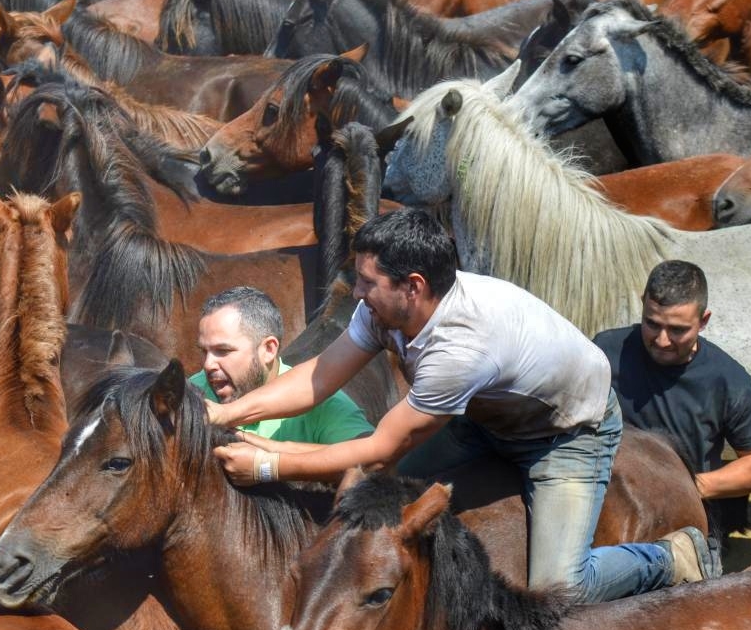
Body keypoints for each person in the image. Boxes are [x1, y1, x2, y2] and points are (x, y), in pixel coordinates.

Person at [206, 208, 718, 603]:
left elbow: (381, 447)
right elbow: (316, 377)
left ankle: (669, 559)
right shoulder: (385, 310)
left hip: (564, 435)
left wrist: (270, 463)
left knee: (559, 588)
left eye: (367, 282)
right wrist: (225, 414)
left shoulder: (461, 348)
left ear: (413, 287)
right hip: (486, 420)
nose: (357, 294)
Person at [592, 260, 751, 538]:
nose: (663, 340)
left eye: (678, 330)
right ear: (643, 304)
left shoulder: (727, 380)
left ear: (703, 321)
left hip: (684, 527)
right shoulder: (605, 350)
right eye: (652, 324)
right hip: (605, 513)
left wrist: (688, 486)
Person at [190, 287, 374, 449]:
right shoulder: (193, 392)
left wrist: (268, 465)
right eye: (204, 352)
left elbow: (372, 463)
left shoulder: (323, 405)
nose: (208, 364)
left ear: (268, 349)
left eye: (223, 351)